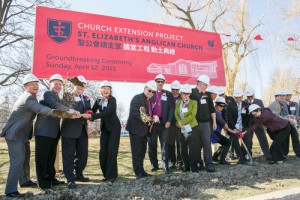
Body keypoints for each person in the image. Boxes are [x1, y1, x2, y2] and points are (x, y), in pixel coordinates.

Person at [0, 74, 57, 197]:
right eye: (32, 84)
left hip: (23, 135)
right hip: (15, 134)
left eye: (36, 84)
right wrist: (57, 112)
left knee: (25, 159)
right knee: (17, 161)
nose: (35, 85)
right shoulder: (28, 98)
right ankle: (10, 190)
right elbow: (41, 109)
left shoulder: (30, 97)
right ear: (26, 87)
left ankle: (24, 181)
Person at [34, 74, 76, 190]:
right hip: (43, 131)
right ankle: (43, 183)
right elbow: (56, 106)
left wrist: (70, 115)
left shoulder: (57, 97)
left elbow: (60, 111)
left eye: (60, 84)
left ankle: (51, 178)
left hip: (53, 132)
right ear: (50, 84)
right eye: (55, 83)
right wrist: (69, 110)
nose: (58, 86)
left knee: (50, 157)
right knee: (42, 158)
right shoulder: (48, 94)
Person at [82, 80, 121, 183]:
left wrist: (92, 116)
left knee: (112, 151)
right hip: (104, 128)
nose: (106, 90)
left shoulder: (113, 100)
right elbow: (92, 110)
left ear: (110, 90)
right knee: (103, 152)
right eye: (104, 88)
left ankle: (112, 176)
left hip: (114, 128)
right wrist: (87, 113)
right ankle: (106, 175)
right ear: (101, 90)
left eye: (108, 89)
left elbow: (107, 113)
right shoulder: (99, 99)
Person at [61, 75, 91, 189]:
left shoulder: (87, 98)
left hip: (82, 130)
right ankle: (70, 178)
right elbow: (65, 109)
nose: (80, 87)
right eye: (78, 85)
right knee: (68, 155)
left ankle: (79, 173)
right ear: (74, 85)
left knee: (82, 154)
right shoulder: (67, 95)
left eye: (83, 85)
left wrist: (90, 113)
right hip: (69, 130)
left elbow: (89, 111)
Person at [126, 80, 157, 179]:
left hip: (143, 131)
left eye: (153, 92)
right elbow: (135, 113)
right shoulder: (137, 98)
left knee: (142, 152)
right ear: (145, 88)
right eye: (149, 90)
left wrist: (152, 118)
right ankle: (138, 173)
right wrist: (150, 119)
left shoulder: (148, 101)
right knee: (137, 152)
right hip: (136, 130)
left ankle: (142, 171)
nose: (151, 93)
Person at [190, 75, 216, 172]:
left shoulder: (208, 95)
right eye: (206, 85)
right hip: (194, 123)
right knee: (195, 144)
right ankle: (197, 163)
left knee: (206, 143)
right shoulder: (191, 93)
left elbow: (212, 109)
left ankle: (209, 163)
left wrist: (214, 122)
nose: (206, 87)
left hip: (206, 123)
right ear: (200, 84)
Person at [148, 74, 174, 174]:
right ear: (155, 82)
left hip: (164, 123)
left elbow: (172, 108)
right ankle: (154, 165)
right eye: (158, 81)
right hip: (153, 124)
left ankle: (165, 164)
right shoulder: (151, 92)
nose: (160, 83)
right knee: (152, 144)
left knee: (164, 144)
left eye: (161, 81)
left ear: (164, 83)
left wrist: (169, 121)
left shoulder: (168, 94)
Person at [242, 87, 271, 161]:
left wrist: (264, 124)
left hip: (259, 124)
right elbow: (243, 114)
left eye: (251, 96)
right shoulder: (243, 102)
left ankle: (268, 155)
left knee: (263, 139)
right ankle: (248, 156)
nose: (250, 97)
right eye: (248, 96)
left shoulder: (259, 101)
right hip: (248, 125)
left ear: (253, 95)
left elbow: (263, 113)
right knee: (248, 141)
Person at [174, 84, 199, 172]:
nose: (184, 96)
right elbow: (176, 114)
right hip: (180, 127)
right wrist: (179, 122)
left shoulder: (193, 102)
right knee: (182, 147)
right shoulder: (178, 102)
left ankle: (193, 167)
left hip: (191, 127)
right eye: (183, 94)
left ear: (189, 94)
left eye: (186, 94)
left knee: (192, 148)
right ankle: (186, 166)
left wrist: (182, 122)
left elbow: (192, 115)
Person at [269, 90, 300, 157]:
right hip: (273, 126)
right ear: (276, 97)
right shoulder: (274, 104)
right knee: (279, 141)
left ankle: (273, 155)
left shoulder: (279, 103)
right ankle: (276, 156)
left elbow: (280, 115)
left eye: (283, 96)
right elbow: (276, 116)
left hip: (282, 124)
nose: (283, 97)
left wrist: (289, 116)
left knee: (278, 141)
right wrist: (288, 119)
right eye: (280, 96)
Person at [211, 97, 237, 165]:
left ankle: (215, 157)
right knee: (227, 142)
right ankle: (222, 160)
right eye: (220, 105)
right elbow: (224, 124)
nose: (222, 107)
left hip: (216, 133)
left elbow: (224, 126)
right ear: (216, 104)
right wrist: (233, 131)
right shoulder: (214, 112)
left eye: (224, 106)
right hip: (214, 133)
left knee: (225, 143)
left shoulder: (220, 112)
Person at [226, 88, 247, 164]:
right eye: (236, 97)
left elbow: (247, 117)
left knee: (247, 140)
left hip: (243, 126)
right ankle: (241, 157)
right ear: (234, 97)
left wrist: (243, 127)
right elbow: (229, 118)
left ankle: (245, 155)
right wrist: (235, 128)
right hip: (233, 127)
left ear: (242, 97)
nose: (238, 99)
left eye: (239, 97)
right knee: (235, 141)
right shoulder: (230, 105)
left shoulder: (245, 104)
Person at [168, 80, 183, 170]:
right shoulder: (168, 96)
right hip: (170, 124)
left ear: (179, 90)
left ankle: (180, 161)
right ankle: (171, 161)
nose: (175, 91)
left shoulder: (182, 97)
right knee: (170, 143)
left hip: (180, 124)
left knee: (179, 143)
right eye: (173, 89)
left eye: (176, 89)